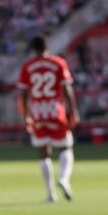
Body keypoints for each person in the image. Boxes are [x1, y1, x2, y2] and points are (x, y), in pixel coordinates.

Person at [16, 34, 80, 202]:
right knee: (66, 147)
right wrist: (73, 111)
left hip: (38, 112)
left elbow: (23, 92)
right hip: (55, 111)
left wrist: (26, 115)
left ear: (33, 49)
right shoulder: (58, 62)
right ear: (47, 47)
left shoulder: (27, 66)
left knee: (44, 153)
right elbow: (67, 89)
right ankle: (64, 179)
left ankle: (50, 193)